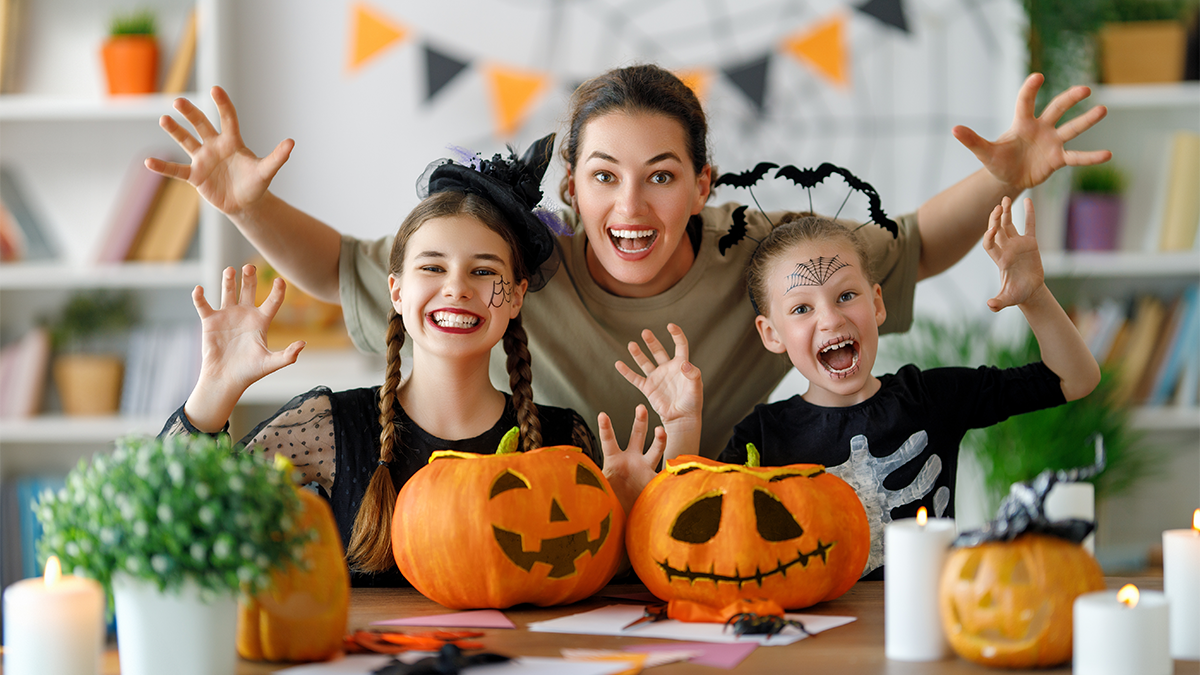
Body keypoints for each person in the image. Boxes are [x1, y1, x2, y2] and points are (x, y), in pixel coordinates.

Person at [146, 64, 1111, 464]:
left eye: (660, 177)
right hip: (564, 532)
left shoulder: (760, 250)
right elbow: (350, 268)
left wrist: (1008, 177)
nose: (631, 205)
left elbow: (912, 248)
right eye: (604, 176)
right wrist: (250, 204)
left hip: (712, 517)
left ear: (704, 184)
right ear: (571, 188)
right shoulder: (519, 265)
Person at [157, 140, 637, 586]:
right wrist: (214, 390)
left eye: (484, 270)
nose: (456, 288)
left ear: (515, 295)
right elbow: (172, 519)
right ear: (398, 292)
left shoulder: (562, 442)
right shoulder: (330, 426)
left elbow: (593, 576)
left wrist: (631, 504)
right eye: (432, 267)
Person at [714, 196, 1100, 580]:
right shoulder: (761, 436)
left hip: (933, 619)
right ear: (771, 333)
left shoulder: (930, 397)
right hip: (818, 633)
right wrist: (682, 426)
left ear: (877, 304)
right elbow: (709, 535)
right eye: (801, 309)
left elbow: (1075, 379)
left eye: (846, 296)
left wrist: (1035, 297)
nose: (831, 319)